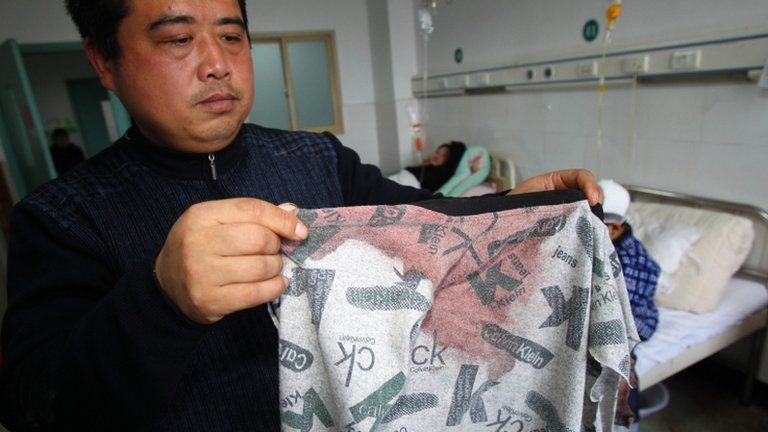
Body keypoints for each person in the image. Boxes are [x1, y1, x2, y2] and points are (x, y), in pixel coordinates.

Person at [0, 0, 602, 430]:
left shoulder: (316, 158)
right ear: (105, 61)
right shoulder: (62, 219)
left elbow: (426, 224)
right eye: (178, 39)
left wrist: (509, 209)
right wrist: (160, 301)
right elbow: (35, 408)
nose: (217, 64)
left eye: (232, 36)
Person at [600, 179, 660, 341]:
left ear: (613, 229)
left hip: (636, 320)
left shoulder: (628, 261)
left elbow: (617, 309)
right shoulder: (606, 245)